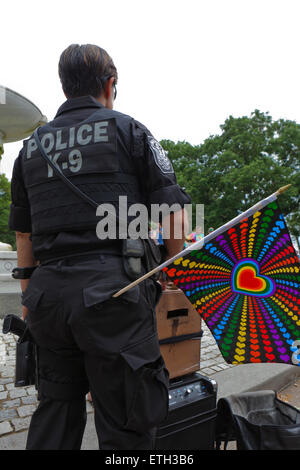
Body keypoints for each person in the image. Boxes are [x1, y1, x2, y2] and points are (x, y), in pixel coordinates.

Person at [8, 44, 190, 450]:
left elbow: (24, 235)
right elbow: (175, 216)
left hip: (48, 300)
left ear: (65, 86)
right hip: (116, 297)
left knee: (54, 414)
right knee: (127, 421)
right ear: (110, 84)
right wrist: (166, 275)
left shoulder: (30, 149)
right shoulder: (131, 131)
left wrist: (28, 297)